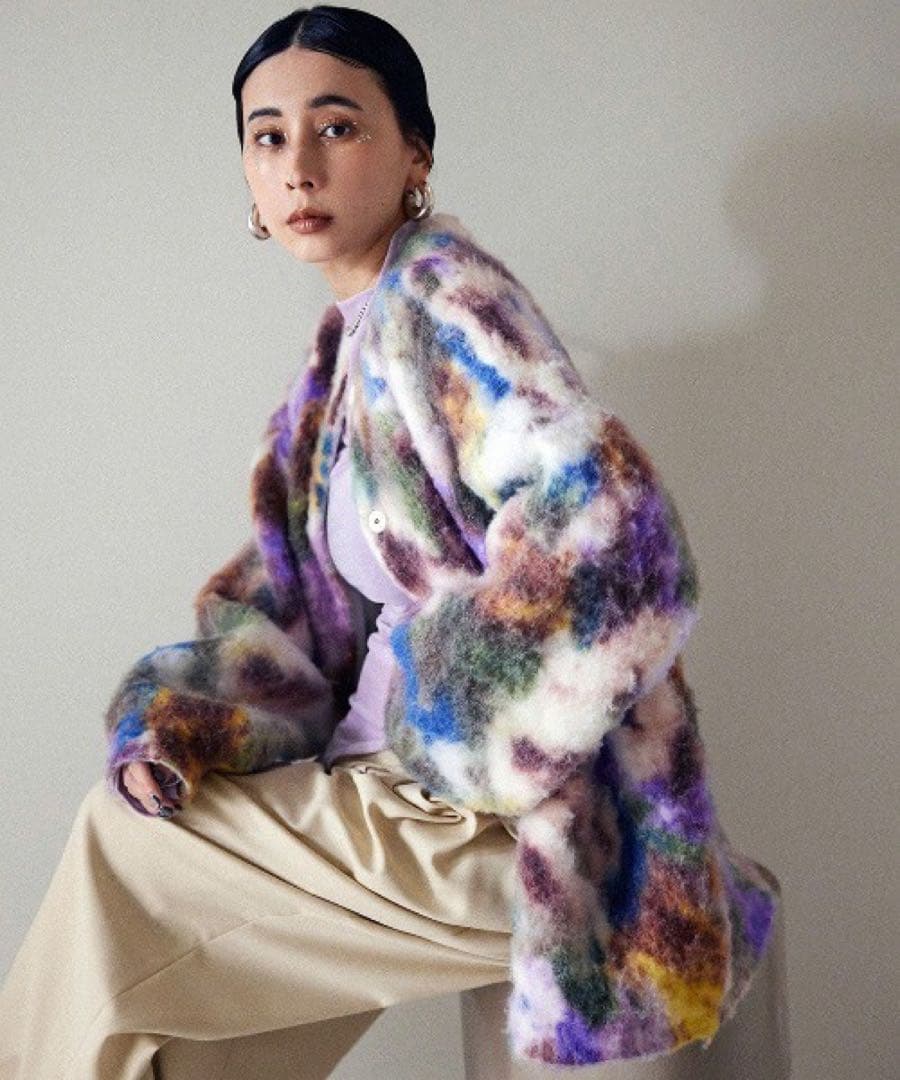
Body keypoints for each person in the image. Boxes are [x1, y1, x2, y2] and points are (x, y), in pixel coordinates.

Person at [0, 6, 784, 1078]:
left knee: (116, 852)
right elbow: (291, 606)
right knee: (170, 1048)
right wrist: (187, 723)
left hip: (480, 824)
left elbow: (619, 539)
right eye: (268, 137)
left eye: (337, 127)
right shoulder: (342, 355)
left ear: (414, 153)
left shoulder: (445, 304)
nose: (299, 165)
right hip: (379, 793)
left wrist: (458, 745)